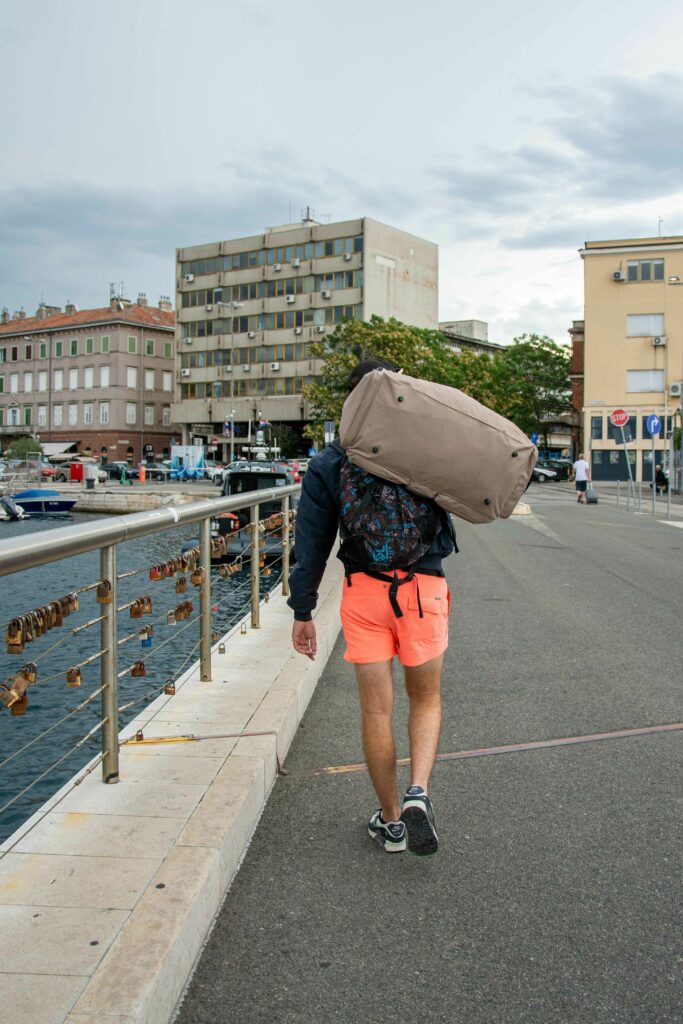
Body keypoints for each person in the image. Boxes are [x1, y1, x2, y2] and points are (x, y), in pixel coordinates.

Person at [288, 359, 457, 856]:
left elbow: (311, 544)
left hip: (364, 593)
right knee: (425, 698)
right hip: (423, 588)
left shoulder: (330, 462)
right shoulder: (421, 447)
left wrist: (303, 609)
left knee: (375, 711)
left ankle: (391, 822)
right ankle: (418, 795)